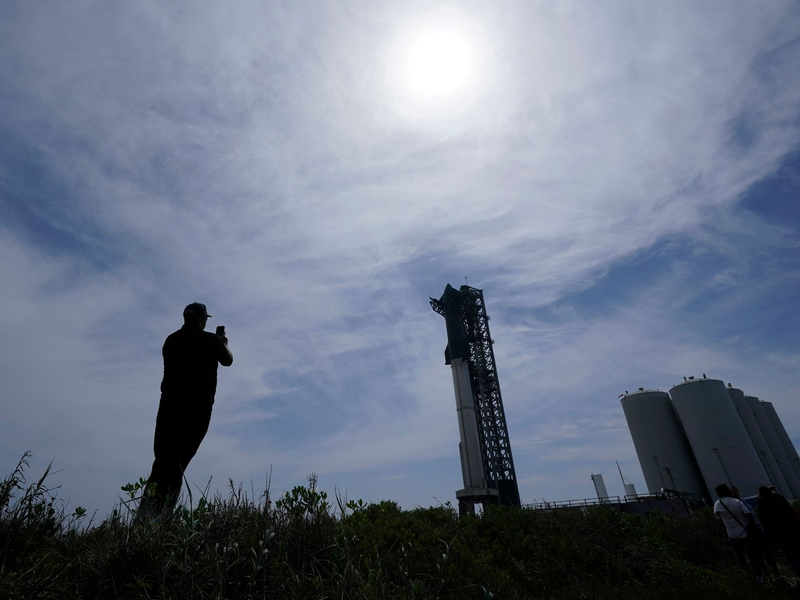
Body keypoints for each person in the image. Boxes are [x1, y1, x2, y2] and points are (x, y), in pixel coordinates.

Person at [142, 302, 233, 514]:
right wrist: (223, 343)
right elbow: (227, 360)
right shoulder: (211, 340)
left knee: (163, 459)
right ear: (202, 320)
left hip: (168, 407)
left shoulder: (171, 340)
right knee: (178, 463)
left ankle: (146, 515)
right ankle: (160, 517)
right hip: (197, 410)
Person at [713, 483, 765, 583]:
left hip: (732, 534)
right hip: (745, 532)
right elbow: (749, 514)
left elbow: (718, 519)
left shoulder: (717, 504)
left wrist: (728, 526)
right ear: (727, 491)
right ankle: (759, 577)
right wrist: (749, 525)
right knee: (752, 555)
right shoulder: (736, 501)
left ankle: (746, 574)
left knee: (739, 555)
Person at [756, 485, 800, 578]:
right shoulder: (779, 498)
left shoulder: (762, 504)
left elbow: (765, 522)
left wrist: (771, 539)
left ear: (761, 494)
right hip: (794, 529)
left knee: (792, 555)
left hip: (781, 535)